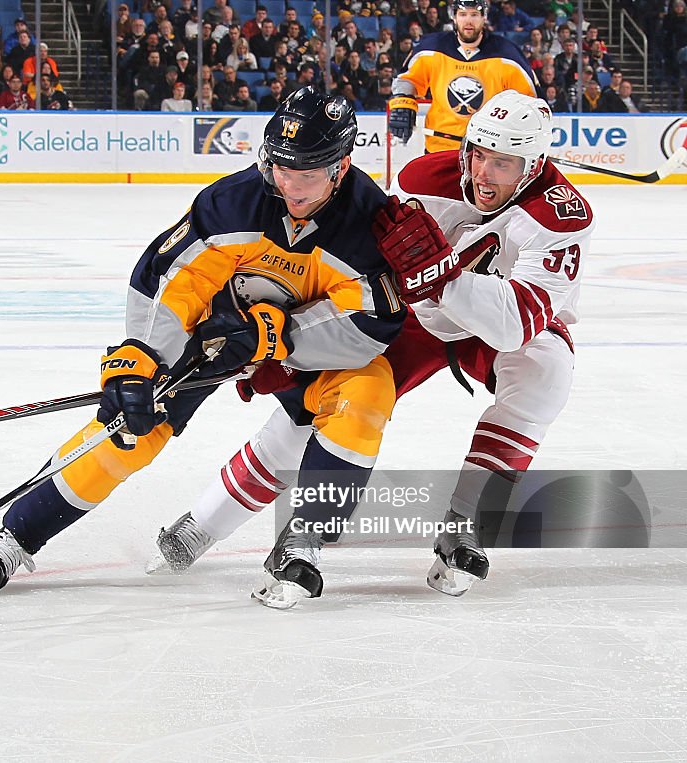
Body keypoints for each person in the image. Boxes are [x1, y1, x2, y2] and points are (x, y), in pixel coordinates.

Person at [0, 88, 424, 610]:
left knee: (369, 391)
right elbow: (173, 280)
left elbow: (368, 323)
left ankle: (302, 542)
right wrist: (139, 358)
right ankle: (18, 535)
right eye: (279, 169)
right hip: (209, 336)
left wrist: (276, 336)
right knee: (132, 425)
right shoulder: (232, 201)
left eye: (305, 174)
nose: (288, 186)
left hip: (305, 350)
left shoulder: (369, 221)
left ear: (341, 166)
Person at [149, 90, 594, 603]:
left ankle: (465, 521)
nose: (484, 173)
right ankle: (206, 522)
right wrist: (287, 342)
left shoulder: (562, 218)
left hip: (491, 326)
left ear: (533, 164)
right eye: (477, 153)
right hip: (415, 320)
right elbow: (355, 264)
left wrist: (441, 278)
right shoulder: (423, 178)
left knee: (546, 371)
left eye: (503, 162)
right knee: (321, 406)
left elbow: (515, 324)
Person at [389, 0, 537, 153]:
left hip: (486, 150)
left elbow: (530, 100)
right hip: (439, 147)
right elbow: (407, 79)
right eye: (463, 14)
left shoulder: (508, 54)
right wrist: (403, 104)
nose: (468, 21)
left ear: (484, 17)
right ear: (454, 17)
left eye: (474, 15)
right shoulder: (431, 48)